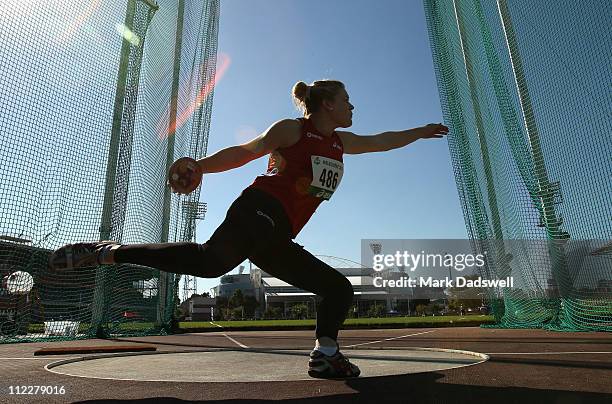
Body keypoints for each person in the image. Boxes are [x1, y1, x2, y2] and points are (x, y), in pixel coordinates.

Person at [50, 79, 449, 378]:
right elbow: (246, 151)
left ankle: (326, 354)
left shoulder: (340, 143)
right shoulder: (293, 130)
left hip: (277, 234)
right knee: (211, 263)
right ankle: (106, 252)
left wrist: (418, 132)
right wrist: (201, 167)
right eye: (346, 101)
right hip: (259, 209)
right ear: (327, 103)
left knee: (336, 288)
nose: (352, 107)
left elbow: (381, 141)